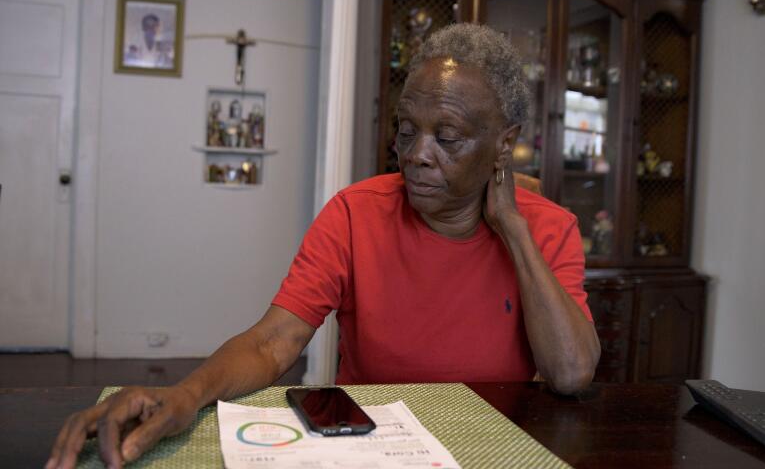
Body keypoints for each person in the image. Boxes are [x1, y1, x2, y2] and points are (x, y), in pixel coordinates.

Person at [46, 24, 600, 469]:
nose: (417, 155)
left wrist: (511, 225)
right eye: (407, 130)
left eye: (447, 137)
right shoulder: (355, 212)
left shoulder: (547, 229)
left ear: (504, 145)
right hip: (366, 446)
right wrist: (185, 396)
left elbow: (572, 374)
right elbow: (273, 343)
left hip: (487, 449)